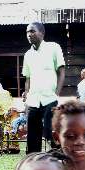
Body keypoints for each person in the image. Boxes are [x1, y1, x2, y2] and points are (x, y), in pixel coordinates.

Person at [23, 22, 65, 154]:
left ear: (42, 33)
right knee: (32, 134)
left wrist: (56, 94)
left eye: (32, 31)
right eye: (27, 32)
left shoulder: (53, 48)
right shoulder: (27, 55)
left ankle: (58, 157)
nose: (29, 35)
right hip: (33, 99)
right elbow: (27, 78)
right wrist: (26, 97)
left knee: (49, 132)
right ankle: (33, 160)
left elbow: (61, 72)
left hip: (49, 98)